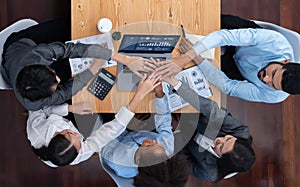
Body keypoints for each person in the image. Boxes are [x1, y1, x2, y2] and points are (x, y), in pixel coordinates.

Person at [1, 18, 156, 111]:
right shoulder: (33, 104)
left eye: (54, 76)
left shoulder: (39, 54)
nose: (59, 80)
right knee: (71, 72)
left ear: (45, 65)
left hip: (21, 44)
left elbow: (71, 49)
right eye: (55, 85)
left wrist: (125, 60)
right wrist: (95, 67)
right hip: (14, 66)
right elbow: (66, 92)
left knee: (73, 25)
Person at [156, 14, 300, 103]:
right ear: (285, 61)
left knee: (196, 73)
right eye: (273, 73)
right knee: (202, 21)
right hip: (241, 42)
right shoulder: (276, 42)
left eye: (272, 85)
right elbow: (223, 37)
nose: (265, 79)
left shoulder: (274, 96)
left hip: (237, 69)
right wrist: (185, 58)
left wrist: (197, 59)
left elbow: (229, 87)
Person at [26, 73, 161, 167]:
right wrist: (140, 94)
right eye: (79, 142)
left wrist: (70, 108)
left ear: (55, 135)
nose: (79, 135)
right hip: (66, 118)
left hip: (55, 110)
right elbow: (111, 130)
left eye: (71, 134)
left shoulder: (36, 129)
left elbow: (39, 107)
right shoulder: (79, 154)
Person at [160, 71, 256, 181]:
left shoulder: (210, 172)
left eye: (220, 147)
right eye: (227, 138)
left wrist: (173, 131)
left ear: (220, 159)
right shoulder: (241, 132)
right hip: (195, 114)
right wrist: (176, 84)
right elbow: (211, 109)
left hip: (177, 137)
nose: (220, 139)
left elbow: (181, 160)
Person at [100, 82, 175, 179]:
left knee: (105, 102)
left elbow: (105, 140)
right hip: (140, 129)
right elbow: (164, 122)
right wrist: (160, 93)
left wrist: (125, 123)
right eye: (158, 144)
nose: (153, 141)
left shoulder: (117, 160)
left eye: (149, 145)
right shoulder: (166, 149)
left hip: (114, 135)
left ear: (138, 159)